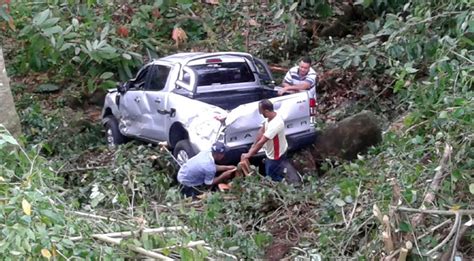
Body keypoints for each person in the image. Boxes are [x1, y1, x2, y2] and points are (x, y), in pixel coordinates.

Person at [241, 99, 288, 181]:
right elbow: (262, 130)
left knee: (271, 175)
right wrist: (253, 144)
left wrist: (249, 154)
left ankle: (281, 183)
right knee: (272, 170)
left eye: (262, 113)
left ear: (266, 111)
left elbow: (262, 142)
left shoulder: (276, 124)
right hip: (271, 152)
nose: (262, 115)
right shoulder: (270, 117)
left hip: (276, 155)